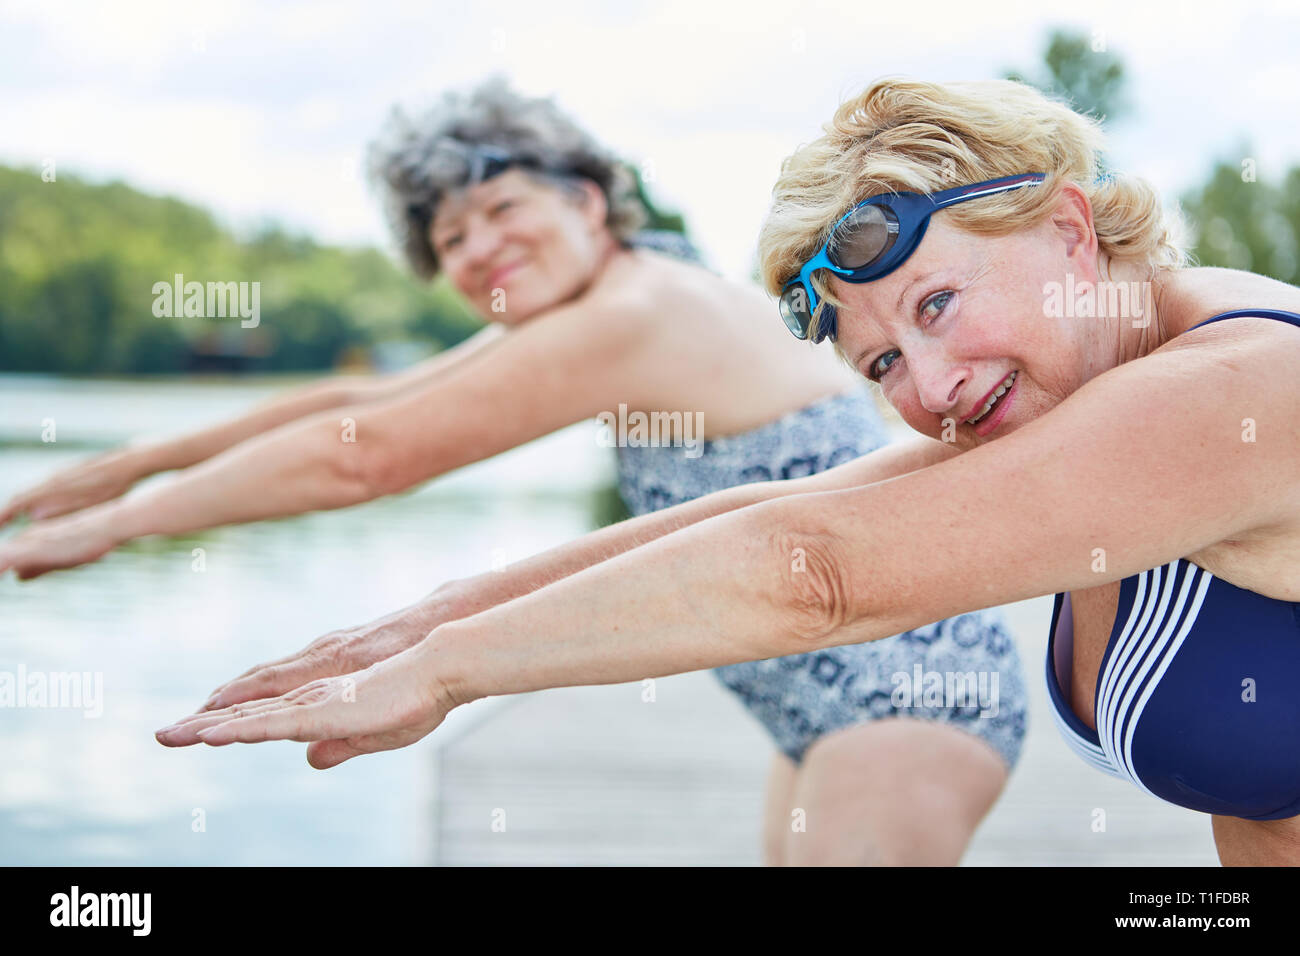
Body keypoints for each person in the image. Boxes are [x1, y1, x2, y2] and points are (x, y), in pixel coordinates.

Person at [154, 76, 1300, 866]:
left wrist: (448, 673)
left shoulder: (1238, 386)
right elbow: (791, 505)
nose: (934, 383)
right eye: (885, 357)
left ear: (1065, 227)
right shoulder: (1079, 389)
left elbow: (816, 570)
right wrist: (414, 626)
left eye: (939, 301)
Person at [0, 79, 1028, 866]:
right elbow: (351, 408)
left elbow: (373, 458)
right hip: (817, 695)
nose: (479, 247)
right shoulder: (617, 291)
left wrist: (107, 531)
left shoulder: (637, 315)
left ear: (585, 199)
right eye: (450, 237)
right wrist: (124, 469)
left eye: (498, 208)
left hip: (903, 689)